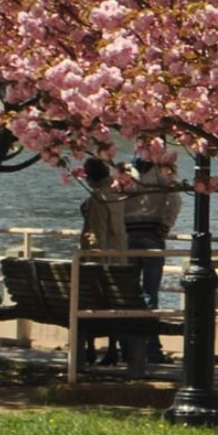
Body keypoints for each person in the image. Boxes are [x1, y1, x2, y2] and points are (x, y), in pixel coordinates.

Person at [122, 151, 182, 363]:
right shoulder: (163, 173)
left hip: (128, 237)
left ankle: (130, 345)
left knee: (129, 293)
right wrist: (165, 225)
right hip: (152, 235)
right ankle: (151, 347)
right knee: (150, 293)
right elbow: (174, 201)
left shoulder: (125, 172)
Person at [78, 157, 127, 366]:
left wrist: (89, 257)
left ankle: (89, 349)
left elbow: (95, 235)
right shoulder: (117, 193)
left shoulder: (98, 198)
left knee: (89, 300)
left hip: (100, 262)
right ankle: (112, 348)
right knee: (114, 303)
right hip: (119, 260)